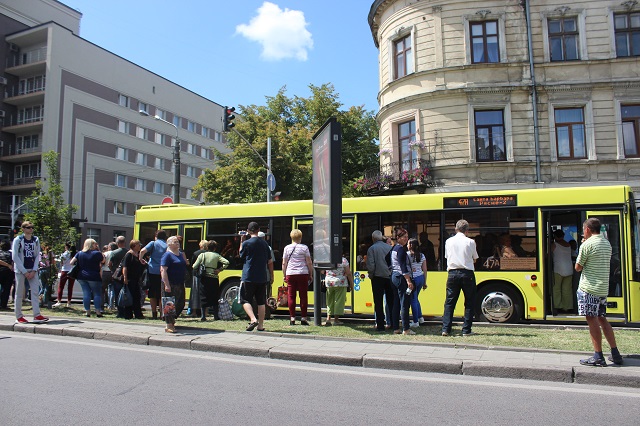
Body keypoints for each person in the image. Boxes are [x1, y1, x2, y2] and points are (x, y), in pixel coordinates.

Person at [575, 218, 623, 366]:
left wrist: (582, 245)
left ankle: (598, 356)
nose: (584, 232)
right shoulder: (606, 243)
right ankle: (615, 353)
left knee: (592, 320)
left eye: (584, 229)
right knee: (602, 319)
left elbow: (578, 267)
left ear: (588, 229)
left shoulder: (587, 245)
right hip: (602, 288)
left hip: (589, 288)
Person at [442, 219, 478, 337]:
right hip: (467, 273)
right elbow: (475, 258)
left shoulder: (448, 241)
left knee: (450, 302)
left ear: (456, 229)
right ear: (467, 230)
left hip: (452, 273)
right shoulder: (471, 242)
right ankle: (466, 330)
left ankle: (446, 329)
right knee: (469, 301)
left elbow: (447, 257)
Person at [240, 222, 274, 332]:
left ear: (248, 231)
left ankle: (253, 319)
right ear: (259, 229)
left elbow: (241, 255)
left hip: (248, 276)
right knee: (261, 301)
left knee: (245, 299)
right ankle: (260, 325)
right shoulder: (265, 244)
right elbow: (269, 260)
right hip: (262, 276)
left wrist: (242, 240)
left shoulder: (246, 243)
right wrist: (271, 275)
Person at [12, 221, 48, 324]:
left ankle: (37, 315)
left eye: (32, 227)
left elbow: (37, 255)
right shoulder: (18, 240)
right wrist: (24, 271)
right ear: (23, 229)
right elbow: (15, 256)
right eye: (28, 227)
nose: (30, 229)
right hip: (21, 270)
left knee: (35, 292)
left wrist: (34, 269)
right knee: (19, 293)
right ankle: (19, 316)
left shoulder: (35, 240)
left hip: (32, 269)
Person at [282, 229, 314, 326]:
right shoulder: (304, 248)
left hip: (290, 273)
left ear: (291, 237)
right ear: (300, 237)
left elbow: (284, 263)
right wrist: (310, 273)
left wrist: (284, 275)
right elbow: (309, 262)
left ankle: (292, 318)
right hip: (302, 273)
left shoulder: (287, 248)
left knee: (291, 296)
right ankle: (303, 318)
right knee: (303, 296)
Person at [192, 240, 229, 321]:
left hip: (204, 278)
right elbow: (226, 262)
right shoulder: (217, 255)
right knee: (214, 296)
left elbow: (194, 266)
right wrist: (219, 270)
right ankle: (216, 316)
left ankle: (203, 316)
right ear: (215, 248)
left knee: (203, 296)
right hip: (214, 278)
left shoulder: (202, 255)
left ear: (207, 247)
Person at [366, 230, 393, 332]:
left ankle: (380, 325)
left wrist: (371, 275)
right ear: (381, 238)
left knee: (378, 302)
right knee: (391, 301)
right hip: (389, 277)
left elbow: (371, 265)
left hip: (377, 277)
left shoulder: (371, 249)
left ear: (373, 239)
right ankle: (393, 324)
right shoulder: (389, 248)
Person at [71, 238, 104, 317]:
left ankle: (87, 311)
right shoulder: (97, 253)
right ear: (92, 245)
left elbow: (71, 262)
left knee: (86, 294)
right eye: (95, 244)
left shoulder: (80, 253)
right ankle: (98, 312)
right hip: (94, 276)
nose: (96, 245)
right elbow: (103, 261)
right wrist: (98, 250)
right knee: (97, 294)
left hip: (82, 276)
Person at [390, 227, 415, 335]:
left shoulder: (393, 248)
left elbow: (388, 261)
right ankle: (406, 328)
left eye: (407, 237)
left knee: (396, 303)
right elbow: (403, 267)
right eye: (404, 237)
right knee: (404, 303)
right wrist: (408, 281)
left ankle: (396, 327)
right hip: (401, 277)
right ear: (398, 238)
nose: (406, 239)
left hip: (394, 276)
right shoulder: (400, 250)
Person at [160, 236, 187, 333]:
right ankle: (169, 325)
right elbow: (163, 270)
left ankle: (171, 319)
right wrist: (167, 285)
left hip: (179, 282)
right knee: (169, 304)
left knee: (181, 303)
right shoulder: (167, 255)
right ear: (169, 244)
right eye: (175, 242)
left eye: (178, 242)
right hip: (170, 282)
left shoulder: (179, 254)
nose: (177, 243)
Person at [139, 229, 168, 319]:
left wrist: (141, 259)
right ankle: (162, 314)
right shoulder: (167, 245)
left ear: (156, 236)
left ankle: (154, 313)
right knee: (161, 293)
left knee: (152, 294)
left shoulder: (153, 243)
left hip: (152, 271)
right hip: (163, 272)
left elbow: (142, 251)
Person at [324, 254, 353, 326]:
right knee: (338, 301)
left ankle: (328, 318)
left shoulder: (327, 259)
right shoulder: (343, 260)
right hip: (341, 282)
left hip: (329, 283)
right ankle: (336, 320)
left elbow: (322, 271)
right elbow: (348, 273)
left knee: (329, 300)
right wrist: (352, 284)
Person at [120, 239, 145, 320]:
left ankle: (138, 313)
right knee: (129, 296)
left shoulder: (137, 255)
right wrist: (125, 278)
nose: (140, 246)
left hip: (136, 279)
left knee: (137, 296)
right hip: (130, 279)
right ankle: (128, 314)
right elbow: (125, 267)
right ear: (134, 246)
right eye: (138, 245)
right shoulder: (129, 255)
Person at [551, 229, 574, 313]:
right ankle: (567, 307)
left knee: (556, 288)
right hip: (569, 269)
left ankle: (558, 306)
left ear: (555, 236)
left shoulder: (554, 245)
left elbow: (547, 254)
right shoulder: (568, 244)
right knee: (567, 289)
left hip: (558, 269)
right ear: (563, 236)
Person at [408, 238, 428, 327]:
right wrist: (425, 282)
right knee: (416, 298)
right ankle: (420, 318)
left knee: (413, 300)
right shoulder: (422, 255)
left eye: (408, 244)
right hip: (420, 278)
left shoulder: (407, 255)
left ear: (411, 245)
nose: (407, 245)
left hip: (413, 279)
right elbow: (425, 269)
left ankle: (415, 322)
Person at [54, 243, 76, 308]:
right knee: (70, 287)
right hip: (71, 271)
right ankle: (69, 302)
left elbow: (61, 263)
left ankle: (59, 301)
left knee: (61, 286)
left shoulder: (64, 254)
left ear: (66, 247)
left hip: (64, 270)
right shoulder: (74, 254)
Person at [108, 236, 127, 310]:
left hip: (116, 275)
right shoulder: (128, 252)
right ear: (124, 242)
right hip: (126, 274)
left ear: (117, 243)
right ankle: (125, 306)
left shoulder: (114, 252)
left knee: (117, 292)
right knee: (125, 291)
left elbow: (109, 264)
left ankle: (119, 308)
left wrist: (113, 270)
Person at [101, 242, 117, 311]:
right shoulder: (116, 253)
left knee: (102, 290)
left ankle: (101, 307)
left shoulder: (105, 253)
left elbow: (102, 262)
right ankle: (112, 305)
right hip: (113, 272)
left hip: (105, 272)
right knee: (113, 289)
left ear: (109, 247)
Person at [0, 240, 14, 310]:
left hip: (1, 271)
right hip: (9, 272)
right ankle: (3, 304)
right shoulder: (11, 254)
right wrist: (9, 265)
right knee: (6, 289)